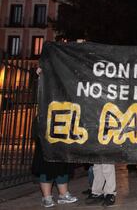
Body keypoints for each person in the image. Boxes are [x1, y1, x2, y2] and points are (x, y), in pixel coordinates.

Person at [32, 67, 78, 208]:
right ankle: (47, 197)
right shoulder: (44, 82)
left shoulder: (67, 84)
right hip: (46, 127)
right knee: (46, 163)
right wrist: (40, 75)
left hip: (63, 127)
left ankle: (63, 194)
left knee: (62, 163)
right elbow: (38, 92)